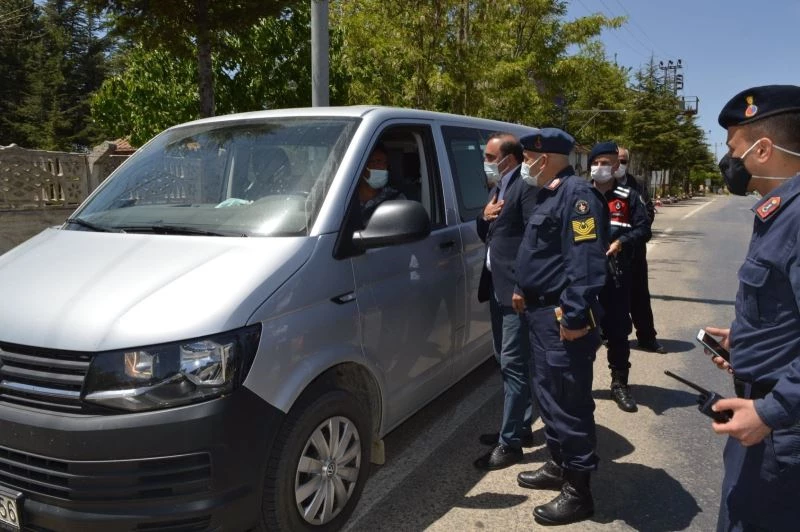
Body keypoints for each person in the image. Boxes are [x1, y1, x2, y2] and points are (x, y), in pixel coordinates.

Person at [703, 84, 800, 531]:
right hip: (765, 413)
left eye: (733, 148)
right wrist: (744, 338)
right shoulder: (779, 211)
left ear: (763, 149)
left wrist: (769, 412)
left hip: (781, 430)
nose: (729, 161)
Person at [511, 128, 609, 525]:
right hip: (539, 313)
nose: (524, 164)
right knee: (549, 396)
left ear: (545, 157)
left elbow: (584, 264)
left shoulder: (577, 196)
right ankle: (557, 464)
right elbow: (542, 253)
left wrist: (572, 316)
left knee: (568, 402)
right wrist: (522, 286)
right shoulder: (550, 192)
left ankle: (578, 490)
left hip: (559, 319)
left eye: (527, 157)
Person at [474, 133, 538, 470]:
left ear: (508, 159)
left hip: (514, 291)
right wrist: (483, 217)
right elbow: (488, 232)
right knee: (505, 358)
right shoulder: (498, 187)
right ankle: (521, 426)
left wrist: (522, 286)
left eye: (488, 155)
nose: (485, 161)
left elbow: (534, 238)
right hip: (497, 288)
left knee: (513, 363)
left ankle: (510, 442)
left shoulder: (526, 188)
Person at [590, 141, 651, 413]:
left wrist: (622, 242)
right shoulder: (579, 194)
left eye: (607, 163)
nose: (601, 167)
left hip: (615, 274)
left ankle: (619, 384)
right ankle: (578, 386)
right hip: (584, 276)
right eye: (596, 162)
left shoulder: (628, 196)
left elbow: (644, 229)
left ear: (616, 166)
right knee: (578, 329)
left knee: (617, 331)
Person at [614, 147, 665, 354]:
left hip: (634, 250)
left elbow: (648, 211)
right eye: (616, 160)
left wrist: (634, 227)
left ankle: (646, 337)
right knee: (612, 297)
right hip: (609, 251)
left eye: (624, 160)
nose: (620, 164)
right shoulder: (600, 184)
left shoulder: (637, 184)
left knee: (640, 296)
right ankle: (611, 335)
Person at [358, 142, 405, 221]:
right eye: (377, 161)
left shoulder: (396, 199)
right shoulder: (346, 197)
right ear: (363, 166)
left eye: (385, 163)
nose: (383, 167)